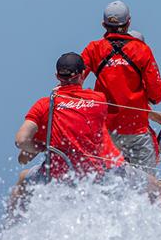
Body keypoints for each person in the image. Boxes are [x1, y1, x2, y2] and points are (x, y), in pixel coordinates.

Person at [10, 53, 123, 213]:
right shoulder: (99, 100)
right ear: (83, 74)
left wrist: (41, 147)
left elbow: (21, 141)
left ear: (57, 76)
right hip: (92, 179)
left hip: (56, 180)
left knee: (23, 177)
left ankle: (11, 226)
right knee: (156, 185)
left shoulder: (46, 104)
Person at [82, 1, 161, 171]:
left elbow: (75, 80)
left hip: (106, 130)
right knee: (147, 182)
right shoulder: (142, 50)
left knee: (107, 180)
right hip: (137, 130)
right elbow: (156, 94)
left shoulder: (93, 49)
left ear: (104, 25)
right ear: (128, 23)